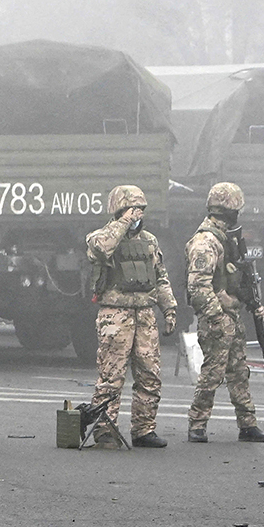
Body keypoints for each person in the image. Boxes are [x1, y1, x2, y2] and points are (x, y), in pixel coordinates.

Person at [83, 184, 175, 449]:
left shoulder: (150, 241)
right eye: (131, 210)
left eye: (140, 210)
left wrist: (169, 309)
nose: (137, 215)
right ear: (119, 210)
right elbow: (102, 248)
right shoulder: (100, 236)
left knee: (150, 375)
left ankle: (144, 430)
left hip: (145, 314)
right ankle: (105, 431)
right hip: (116, 313)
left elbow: (161, 278)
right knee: (111, 376)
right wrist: (123, 223)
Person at [185, 182, 264, 444]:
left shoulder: (227, 239)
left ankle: (248, 424)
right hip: (217, 319)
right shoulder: (205, 242)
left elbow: (237, 280)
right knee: (212, 373)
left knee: (238, 372)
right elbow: (197, 287)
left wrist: (251, 302)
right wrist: (217, 316)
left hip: (231, 315)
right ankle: (197, 425)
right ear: (228, 210)